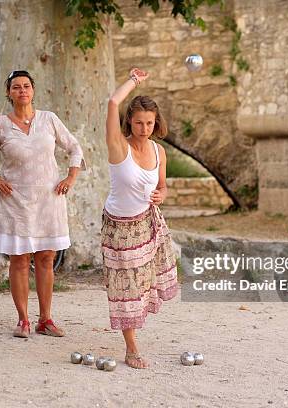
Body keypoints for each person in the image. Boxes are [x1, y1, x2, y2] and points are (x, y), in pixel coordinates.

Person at [0, 70, 85, 338]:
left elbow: (74, 148)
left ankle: (46, 319)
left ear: (33, 90)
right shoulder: (0, 125)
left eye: (26, 86)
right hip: (15, 200)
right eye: (16, 87)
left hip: (49, 199)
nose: (22, 91)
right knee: (19, 259)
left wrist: (71, 177)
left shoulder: (49, 120)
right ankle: (23, 320)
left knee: (46, 258)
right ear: (9, 93)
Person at [102, 68, 179, 369]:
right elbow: (111, 103)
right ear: (129, 122)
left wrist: (163, 194)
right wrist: (133, 81)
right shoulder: (118, 146)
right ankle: (131, 347)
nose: (144, 128)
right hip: (119, 228)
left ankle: (132, 334)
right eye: (138, 123)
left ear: (155, 123)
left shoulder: (160, 152)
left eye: (149, 123)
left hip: (147, 225)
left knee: (142, 287)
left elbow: (162, 186)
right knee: (126, 289)